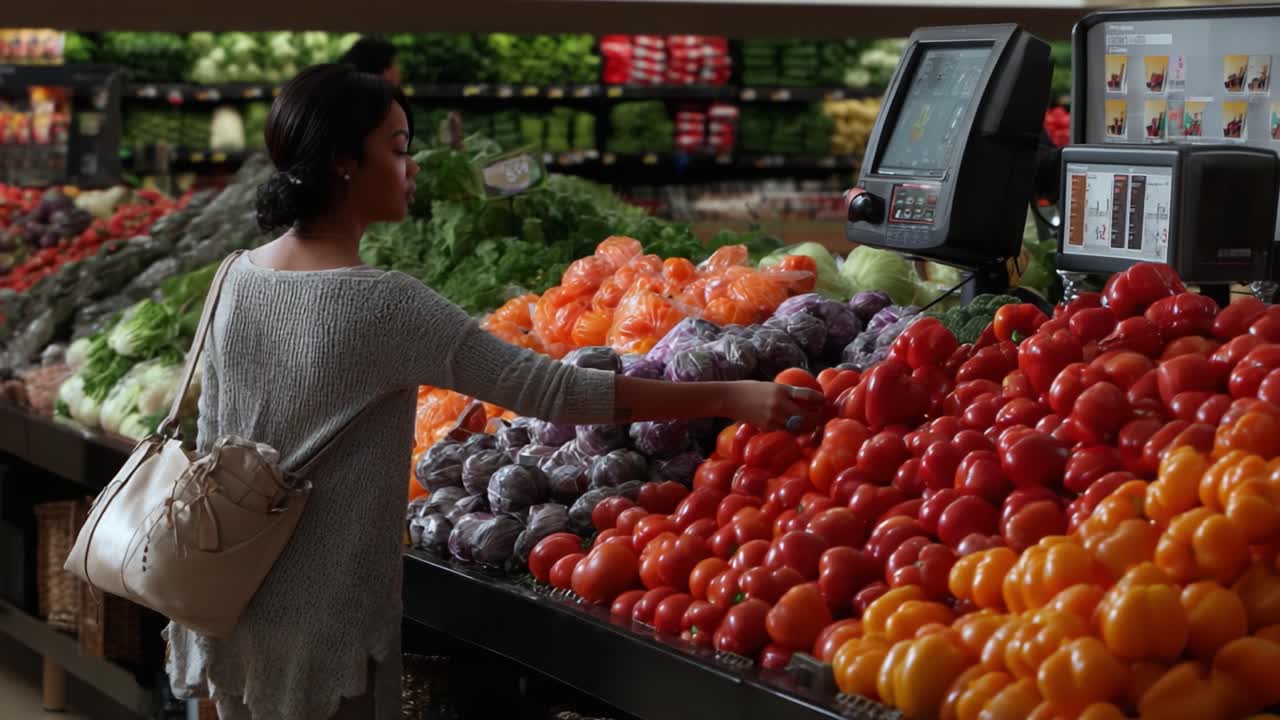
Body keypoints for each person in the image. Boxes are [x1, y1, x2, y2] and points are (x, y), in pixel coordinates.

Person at [163, 63, 823, 720]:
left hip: (222, 597)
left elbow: (212, 439)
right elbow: (554, 391)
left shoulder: (235, 277)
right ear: (343, 164)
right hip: (321, 628)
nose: (412, 164)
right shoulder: (383, 303)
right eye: (396, 149)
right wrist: (727, 397)